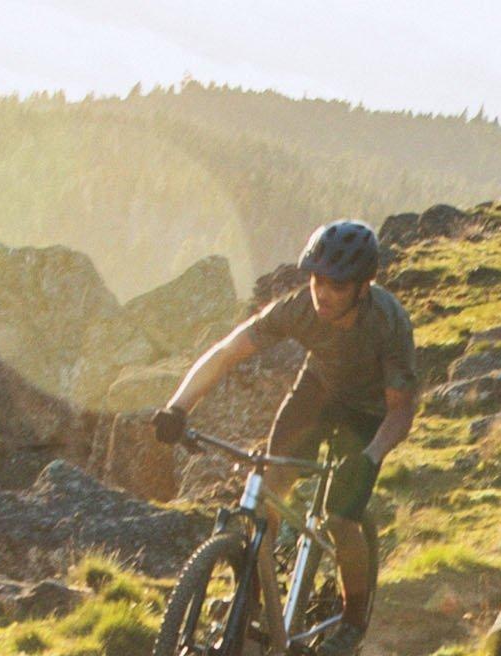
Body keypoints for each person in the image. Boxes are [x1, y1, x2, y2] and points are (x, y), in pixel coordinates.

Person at [151, 219, 421, 617]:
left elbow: (401, 410)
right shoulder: (299, 309)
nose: (322, 293)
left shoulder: (388, 323)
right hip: (318, 389)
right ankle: (251, 603)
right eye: (317, 280)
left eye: (337, 285)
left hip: (370, 410)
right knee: (268, 491)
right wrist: (178, 407)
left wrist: (370, 455)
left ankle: (353, 617)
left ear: (363, 288)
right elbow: (227, 352)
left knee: (340, 519)